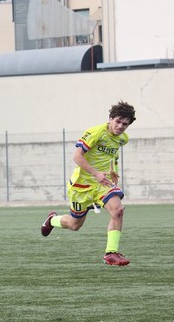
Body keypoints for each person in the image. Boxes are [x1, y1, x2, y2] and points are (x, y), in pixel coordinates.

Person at [41, 100, 136, 266]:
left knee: (118, 210)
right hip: (81, 186)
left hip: (102, 184)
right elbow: (77, 156)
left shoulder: (122, 139)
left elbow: (113, 155)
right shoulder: (95, 132)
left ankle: (111, 253)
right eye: (118, 121)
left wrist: (113, 169)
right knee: (74, 224)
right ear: (111, 118)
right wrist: (95, 173)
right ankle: (52, 220)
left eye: (125, 124)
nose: (120, 126)